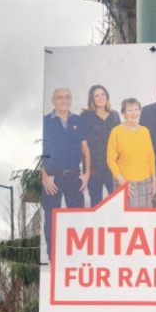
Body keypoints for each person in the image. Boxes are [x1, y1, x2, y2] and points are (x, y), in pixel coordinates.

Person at [41, 86, 85, 259]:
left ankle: (76, 255)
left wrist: (86, 174)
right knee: (51, 218)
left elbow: (85, 147)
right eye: (60, 97)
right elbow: (39, 150)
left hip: (74, 174)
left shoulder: (78, 120)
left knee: (77, 216)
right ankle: (53, 256)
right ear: (53, 101)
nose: (64, 100)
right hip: (52, 176)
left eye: (67, 97)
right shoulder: (45, 121)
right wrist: (44, 176)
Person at [106, 97, 156, 207]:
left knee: (144, 218)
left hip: (145, 181)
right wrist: (123, 182)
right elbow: (110, 160)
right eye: (129, 110)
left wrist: (154, 180)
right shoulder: (116, 132)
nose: (133, 113)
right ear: (124, 113)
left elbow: (151, 157)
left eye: (136, 109)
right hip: (125, 182)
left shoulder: (145, 131)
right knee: (127, 219)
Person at [76, 84, 121, 207]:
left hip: (112, 166)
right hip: (94, 167)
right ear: (92, 99)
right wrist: (86, 170)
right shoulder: (86, 116)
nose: (100, 97)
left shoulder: (115, 115)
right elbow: (82, 145)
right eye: (97, 95)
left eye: (103, 94)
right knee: (96, 202)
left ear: (107, 96)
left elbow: (120, 141)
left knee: (117, 200)